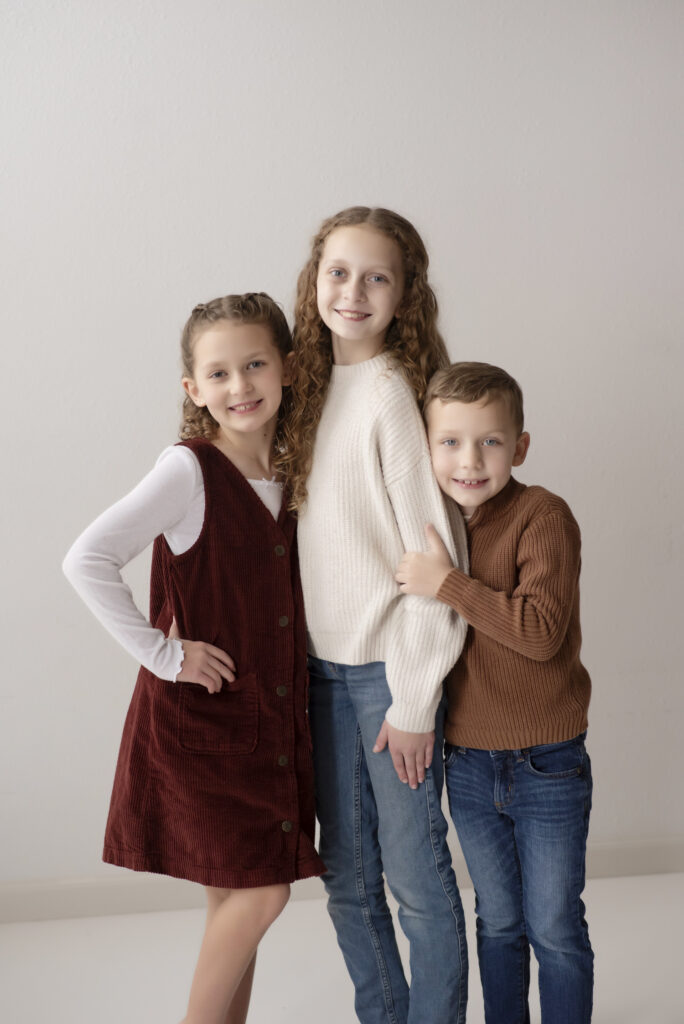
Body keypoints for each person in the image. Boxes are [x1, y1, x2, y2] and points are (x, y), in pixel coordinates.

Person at [63, 293, 325, 1024]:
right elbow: (86, 559)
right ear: (194, 388)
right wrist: (164, 655)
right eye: (219, 373)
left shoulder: (291, 472)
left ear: (288, 368)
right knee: (262, 893)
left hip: (265, 731)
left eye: (255, 365)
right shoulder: (188, 471)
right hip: (201, 730)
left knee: (233, 904)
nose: (240, 385)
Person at [281, 207, 470, 1024]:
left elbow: (437, 564)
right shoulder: (308, 390)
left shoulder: (391, 394)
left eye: (376, 277)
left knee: (417, 882)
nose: (352, 292)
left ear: (405, 295)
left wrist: (414, 700)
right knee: (348, 881)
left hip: (388, 682)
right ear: (314, 281)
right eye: (338, 272)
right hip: (321, 677)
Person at [396, 361, 594, 1024]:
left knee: (554, 925)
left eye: (490, 441)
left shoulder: (543, 516)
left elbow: (539, 632)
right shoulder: (434, 525)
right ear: (427, 449)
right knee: (500, 921)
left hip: (547, 761)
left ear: (521, 446)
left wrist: (447, 584)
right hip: (469, 762)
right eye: (450, 442)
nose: (470, 460)